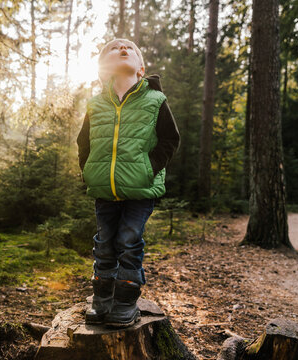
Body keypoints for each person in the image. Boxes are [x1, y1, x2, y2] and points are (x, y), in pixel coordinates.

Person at [76, 38, 181, 328]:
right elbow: (83, 141)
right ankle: (102, 299)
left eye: (130, 49)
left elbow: (170, 139)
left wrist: (149, 168)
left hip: (139, 189)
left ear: (141, 68)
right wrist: (86, 170)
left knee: (129, 242)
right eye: (113, 48)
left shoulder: (155, 101)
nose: (122, 49)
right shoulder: (96, 104)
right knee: (104, 244)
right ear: (103, 68)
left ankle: (125, 302)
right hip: (104, 190)